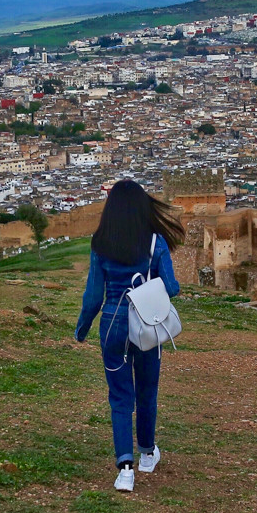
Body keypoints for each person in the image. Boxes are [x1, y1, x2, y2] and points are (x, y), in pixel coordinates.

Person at [75, 180, 184, 492]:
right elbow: (172, 287)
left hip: (111, 326)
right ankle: (147, 453)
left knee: (120, 397)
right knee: (147, 391)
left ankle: (125, 470)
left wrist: (82, 329)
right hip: (146, 325)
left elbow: (93, 296)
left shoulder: (100, 243)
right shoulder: (155, 241)